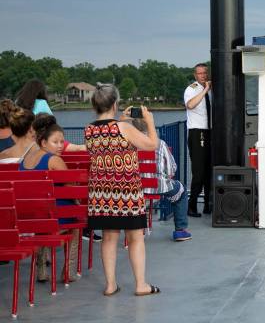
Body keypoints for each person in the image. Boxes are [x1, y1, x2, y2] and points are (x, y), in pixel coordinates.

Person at [85, 83, 160, 297]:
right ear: (115, 104)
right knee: (135, 238)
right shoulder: (124, 128)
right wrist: (150, 122)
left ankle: (110, 285)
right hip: (126, 192)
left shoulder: (89, 129)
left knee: (109, 238)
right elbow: (151, 144)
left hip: (101, 193)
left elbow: (109, 139)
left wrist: (123, 120)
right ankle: (141, 285)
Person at [20, 114, 80, 282]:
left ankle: (41, 270)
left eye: (62, 142)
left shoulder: (25, 161)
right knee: (76, 225)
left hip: (33, 218)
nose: (60, 146)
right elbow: (72, 190)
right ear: (44, 142)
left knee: (44, 222)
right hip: (55, 217)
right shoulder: (54, 160)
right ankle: (69, 271)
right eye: (56, 142)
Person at [132, 117, 192, 242]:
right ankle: (180, 231)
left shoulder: (129, 144)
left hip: (136, 188)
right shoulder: (160, 143)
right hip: (160, 186)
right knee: (181, 191)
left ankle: (134, 232)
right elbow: (171, 170)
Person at [184, 63, 212, 217]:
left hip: (208, 132)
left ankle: (208, 204)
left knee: (208, 170)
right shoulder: (192, 89)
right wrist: (205, 90)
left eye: (205, 73)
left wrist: (208, 89)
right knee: (199, 171)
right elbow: (190, 105)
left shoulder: (208, 89)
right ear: (195, 75)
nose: (203, 76)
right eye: (200, 73)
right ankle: (192, 206)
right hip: (197, 133)